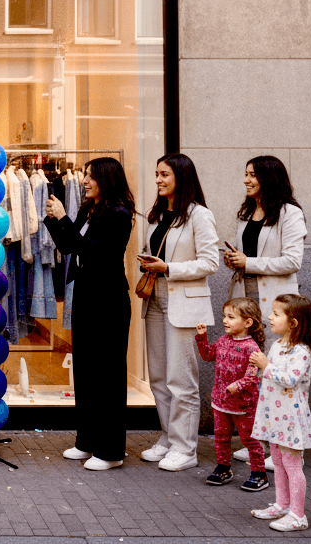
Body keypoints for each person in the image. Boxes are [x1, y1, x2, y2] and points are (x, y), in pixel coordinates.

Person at [43, 157, 134, 470]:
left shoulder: (119, 215)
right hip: (84, 294)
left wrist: (65, 217)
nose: (84, 181)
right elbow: (69, 247)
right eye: (84, 175)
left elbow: (94, 251)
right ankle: (87, 441)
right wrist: (55, 220)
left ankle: (110, 452)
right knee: (85, 371)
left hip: (108, 300)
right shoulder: (88, 208)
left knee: (107, 375)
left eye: (90, 176)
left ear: (106, 179)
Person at [137, 153, 219, 472]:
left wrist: (169, 267)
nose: (158, 179)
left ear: (181, 178)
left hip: (184, 301)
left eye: (165, 175)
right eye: (157, 174)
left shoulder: (199, 215)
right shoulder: (157, 215)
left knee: (181, 377)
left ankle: (186, 447)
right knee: (158, 375)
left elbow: (210, 262)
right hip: (155, 298)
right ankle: (169, 437)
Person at [248, 293, 311, 532]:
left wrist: (265, 367)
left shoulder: (302, 351)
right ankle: (282, 504)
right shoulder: (278, 345)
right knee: (278, 461)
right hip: (274, 415)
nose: (270, 317)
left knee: (291, 464)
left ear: (293, 322)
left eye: (276, 314)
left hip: (290, 417)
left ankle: (298, 515)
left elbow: (289, 379)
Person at [196, 297, 268, 491]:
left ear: (248, 322)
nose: (225, 321)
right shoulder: (222, 341)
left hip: (243, 405)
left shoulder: (251, 347)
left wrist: (238, 385)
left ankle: (259, 473)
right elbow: (208, 355)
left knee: (249, 440)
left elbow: (253, 376)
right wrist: (202, 337)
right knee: (220, 437)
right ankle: (223, 468)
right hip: (220, 402)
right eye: (224, 316)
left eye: (231, 317)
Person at [225, 155, 306, 323]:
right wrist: (232, 259)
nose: (246, 180)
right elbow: (246, 254)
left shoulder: (290, 213)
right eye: (246, 174)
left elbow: (292, 262)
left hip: (274, 297)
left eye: (252, 175)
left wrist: (247, 262)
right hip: (242, 295)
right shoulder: (246, 212)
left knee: (271, 347)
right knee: (245, 347)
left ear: (270, 178)